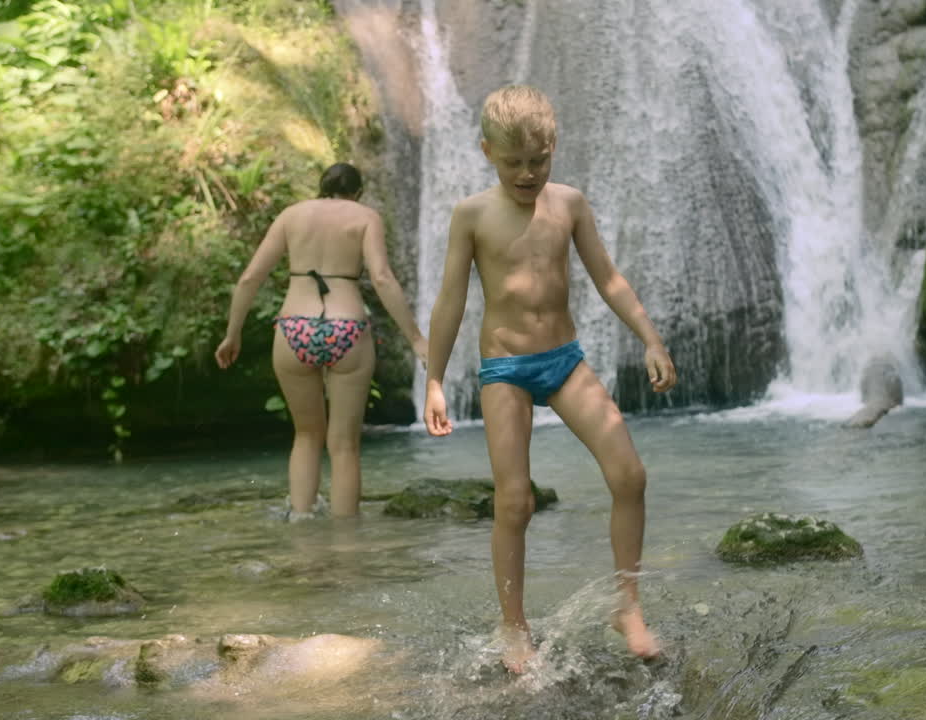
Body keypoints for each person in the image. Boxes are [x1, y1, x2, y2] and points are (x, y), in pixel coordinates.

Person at [422, 85, 677, 673]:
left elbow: (609, 279)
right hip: (505, 369)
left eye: (538, 160)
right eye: (514, 162)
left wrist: (650, 338)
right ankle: (514, 627)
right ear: (487, 150)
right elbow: (450, 301)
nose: (527, 173)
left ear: (553, 148)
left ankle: (628, 605)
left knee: (630, 474)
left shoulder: (570, 204)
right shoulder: (472, 215)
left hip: (565, 361)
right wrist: (434, 380)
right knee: (516, 500)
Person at [216, 163, 427, 520]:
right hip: (347, 328)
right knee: (344, 445)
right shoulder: (365, 216)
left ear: (320, 187)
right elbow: (382, 278)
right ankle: (346, 544)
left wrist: (232, 333)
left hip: (294, 328)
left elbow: (251, 276)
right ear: (357, 192)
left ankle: (302, 531)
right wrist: (417, 339)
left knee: (306, 435)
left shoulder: (291, 216)